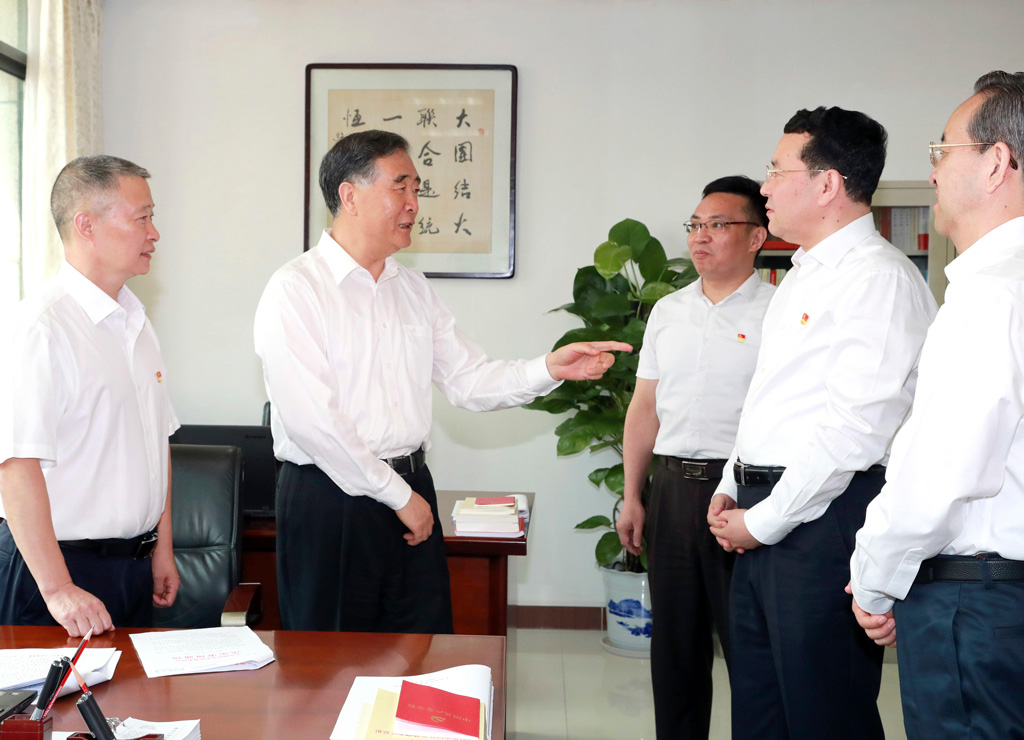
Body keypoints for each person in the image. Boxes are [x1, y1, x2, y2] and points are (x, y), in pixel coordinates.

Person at [254, 129, 630, 634]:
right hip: (331, 499)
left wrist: (549, 368)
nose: (414, 203)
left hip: (410, 487)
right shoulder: (296, 289)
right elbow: (315, 423)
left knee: (422, 654)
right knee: (332, 668)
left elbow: (468, 379)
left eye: (417, 189)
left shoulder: (411, 288)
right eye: (400, 186)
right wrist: (399, 497)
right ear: (349, 195)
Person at [706, 107, 938, 740]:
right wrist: (734, 482)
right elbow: (772, 399)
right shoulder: (803, 274)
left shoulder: (880, 280)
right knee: (760, 708)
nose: (765, 189)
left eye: (777, 171)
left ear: (827, 184)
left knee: (823, 711)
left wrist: (764, 520)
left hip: (823, 517)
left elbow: (853, 429)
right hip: (770, 506)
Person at [850, 71, 1024, 740]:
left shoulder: (990, 296)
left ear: (996, 164)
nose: (931, 171)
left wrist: (874, 580)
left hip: (976, 605)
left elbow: (941, 473)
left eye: (942, 150)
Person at [616, 175, 775, 740]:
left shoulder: (778, 314)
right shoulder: (668, 312)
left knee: (749, 645)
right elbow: (644, 408)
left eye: (718, 225)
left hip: (746, 495)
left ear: (757, 236)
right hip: (674, 491)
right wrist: (634, 495)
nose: (700, 238)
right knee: (676, 648)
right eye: (695, 225)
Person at [0, 155, 180, 638]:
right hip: (60, 572)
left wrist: (161, 549)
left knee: (134, 712)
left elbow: (155, 443)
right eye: (142, 218)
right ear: (87, 225)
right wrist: (58, 589)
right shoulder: (40, 327)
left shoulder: (136, 323)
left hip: (132, 569)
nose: (154, 233)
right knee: (58, 715)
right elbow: (17, 467)